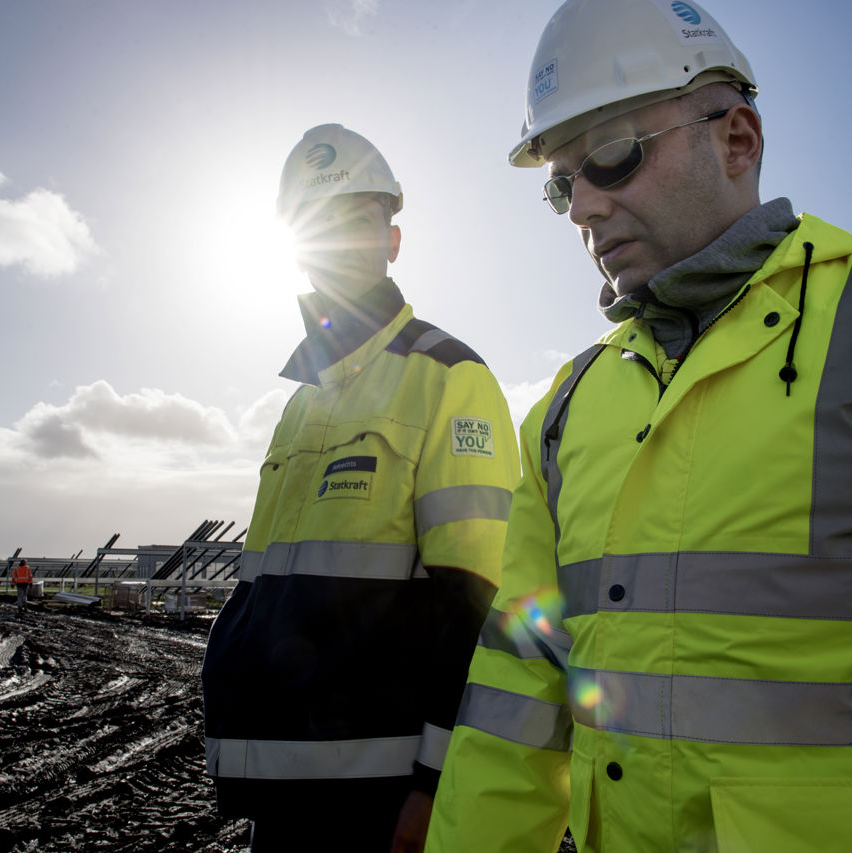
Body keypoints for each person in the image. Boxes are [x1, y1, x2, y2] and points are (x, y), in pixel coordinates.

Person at [426, 1, 852, 851]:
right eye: (562, 182)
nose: (582, 208)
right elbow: (514, 701)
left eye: (610, 155)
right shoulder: (567, 411)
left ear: (737, 138)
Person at [200, 123, 519, 852]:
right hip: (282, 800)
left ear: (393, 240)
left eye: (356, 219)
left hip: (378, 806)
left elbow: (482, 603)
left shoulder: (447, 378)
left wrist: (436, 787)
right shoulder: (299, 403)